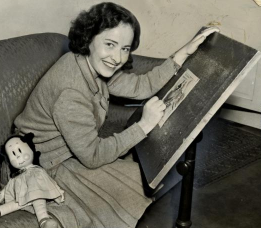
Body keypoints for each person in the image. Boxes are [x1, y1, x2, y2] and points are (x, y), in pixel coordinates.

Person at [13, 2, 219, 228]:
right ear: (89, 38)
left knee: (151, 178)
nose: (117, 57)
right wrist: (143, 125)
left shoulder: (89, 63)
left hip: (69, 153)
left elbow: (141, 86)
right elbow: (92, 157)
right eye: (110, 44)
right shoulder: (70, 91)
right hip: (42, 165)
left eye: (125, 48)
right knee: (141, 184)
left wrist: (182, 54)